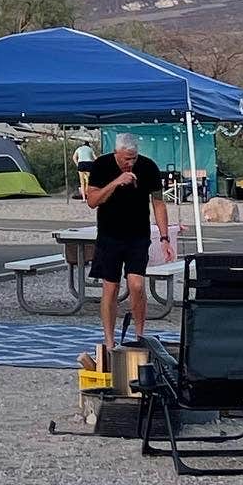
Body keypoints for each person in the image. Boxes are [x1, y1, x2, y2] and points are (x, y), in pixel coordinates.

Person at [80, 131, 170, 364]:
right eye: (125, 159)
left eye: (133, 158)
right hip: (110, 235)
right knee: (110, 287)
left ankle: (140, 336)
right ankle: (109, 341)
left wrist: (164, 237)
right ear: (116, 153)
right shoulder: (101, 165)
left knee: (137, 285)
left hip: (138, 235)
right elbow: (92, 201)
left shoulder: (149, 167)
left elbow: (158, 203)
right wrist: (116, 182)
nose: (130, 163)